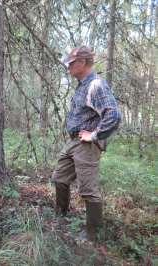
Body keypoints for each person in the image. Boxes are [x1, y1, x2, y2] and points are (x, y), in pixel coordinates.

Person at [52, 46, 121, 241]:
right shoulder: (83, 85)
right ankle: (61, 216)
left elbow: (113, 114)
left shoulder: (95, 85)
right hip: (74, 142)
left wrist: (94, 136)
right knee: (60, 178)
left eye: (71, 63)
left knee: (88, 190)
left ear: (82, 62)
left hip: (87, 145)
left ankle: (92, 235)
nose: (68, 67)